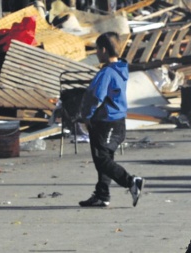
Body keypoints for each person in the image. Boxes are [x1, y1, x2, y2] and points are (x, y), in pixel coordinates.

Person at [79, 31, 145, 207]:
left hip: (106, 121)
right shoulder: (121, 69)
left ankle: (131, 181)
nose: (96, 54)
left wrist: (86, 116)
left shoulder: (107, 72)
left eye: (97, 50)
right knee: (105, 159)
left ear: (103, 49)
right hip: (117, 120)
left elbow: (96, 96)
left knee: (102, 159)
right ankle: (102, 195)